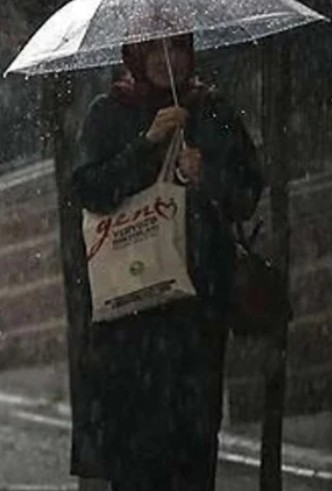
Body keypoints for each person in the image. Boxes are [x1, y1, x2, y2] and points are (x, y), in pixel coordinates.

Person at [71, 32, 263, 491]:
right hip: (130, 316)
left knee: (193, 453)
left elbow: (246, 194)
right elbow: (89, 191)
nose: (166, 59)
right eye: (153, 48)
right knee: (137, 458)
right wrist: (148, 143)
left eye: (176, 47)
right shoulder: (109, 113)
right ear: (133, 55)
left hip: (196, 315)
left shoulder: (211, 111)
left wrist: (207, 176)